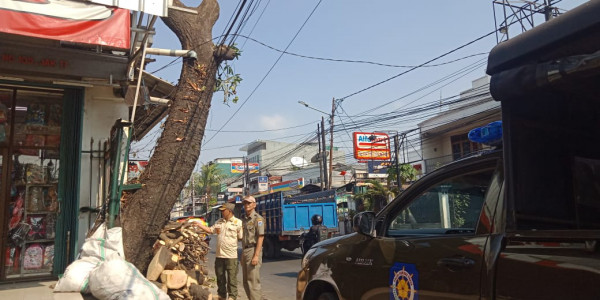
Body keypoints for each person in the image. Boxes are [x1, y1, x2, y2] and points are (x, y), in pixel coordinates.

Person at [196, 203, 242, 300]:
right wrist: (199, 225)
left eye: (223, 210)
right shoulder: (219, 222)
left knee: (231, 278)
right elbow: (210, 230)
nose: (221, 212)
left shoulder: (238, 223)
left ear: (229, 211)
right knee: (220, 277)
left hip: (231, 256)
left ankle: (232, 296)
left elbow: (241, 237)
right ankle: (221, 295)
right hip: (219, 255)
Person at [240, 196, 264, 300]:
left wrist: (256, 256)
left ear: (254, 205)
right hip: (245, 250)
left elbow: (260, 237)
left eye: (249, 203)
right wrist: (242, 254)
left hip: (253, 250)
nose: (247, 205)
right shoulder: (244, 219)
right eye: (245, 203)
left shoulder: (258, 219)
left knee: (253, 282)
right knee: (246, 281)